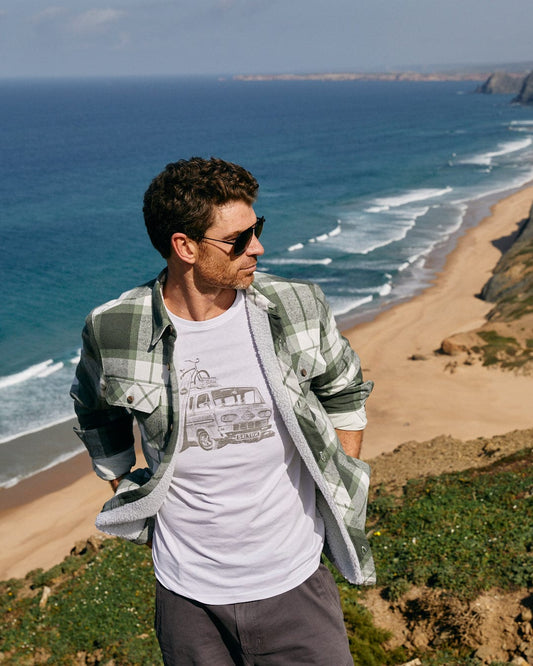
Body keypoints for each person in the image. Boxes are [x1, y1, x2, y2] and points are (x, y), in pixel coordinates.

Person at [71, 156, 375, 665]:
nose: (257, 246)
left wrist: (339, 484)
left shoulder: (298, 305)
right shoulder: (114, 328)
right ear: (184, 247)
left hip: (296, 581)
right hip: (188, 598)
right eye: (238, 239)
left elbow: (343, 393)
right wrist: (124, 483)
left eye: (257, 228)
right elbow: (94, 410)